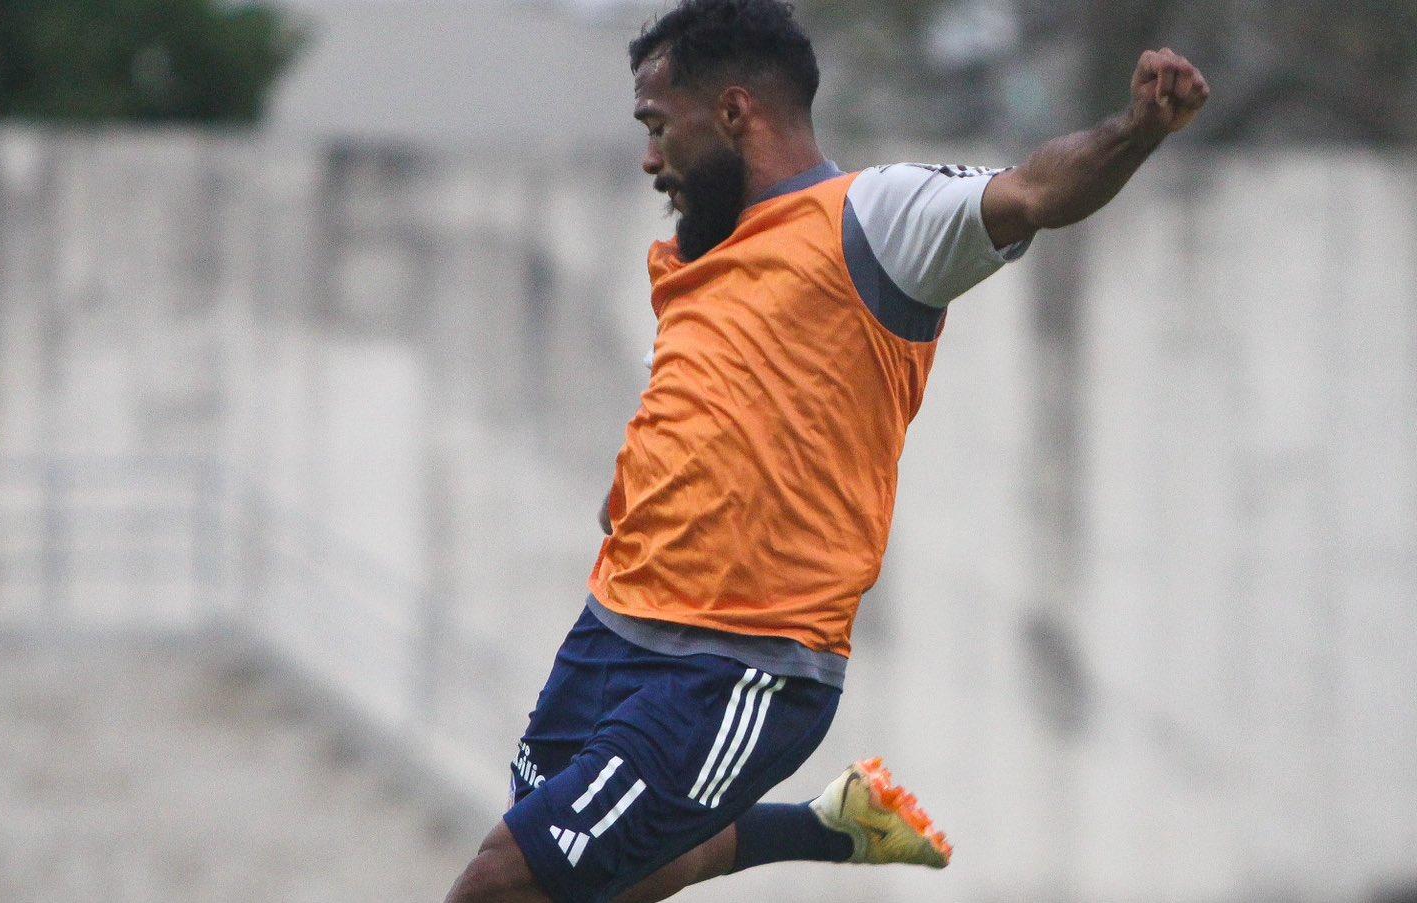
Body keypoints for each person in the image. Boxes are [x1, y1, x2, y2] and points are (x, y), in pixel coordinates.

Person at [445, 1, 1208, 900]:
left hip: (742, 663)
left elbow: (1036, 191)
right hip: (609, 629)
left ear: (733, 113)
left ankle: (814, 824)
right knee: (586, 881)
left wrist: (1137, 129)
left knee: (500, 883)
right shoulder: (698, 259)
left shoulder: (877, 218)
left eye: (658, 128)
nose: (650, 159)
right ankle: (829, 824)